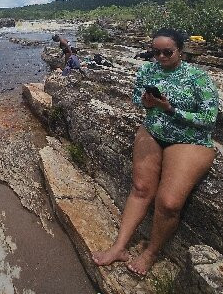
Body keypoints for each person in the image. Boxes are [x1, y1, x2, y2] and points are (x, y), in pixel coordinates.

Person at [91, 28, 220, 277]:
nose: (160, 57)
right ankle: (119, 247)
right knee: (140, 188)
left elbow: (208, 118)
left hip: (189, 139)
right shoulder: (147, 70)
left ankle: (151, 252)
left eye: (167, 52)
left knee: (169, 203)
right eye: (155, 52)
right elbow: (137, 98)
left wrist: (171, 109)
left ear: (180, 51)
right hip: (152, 132)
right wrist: (146, 102)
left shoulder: (198, 77)